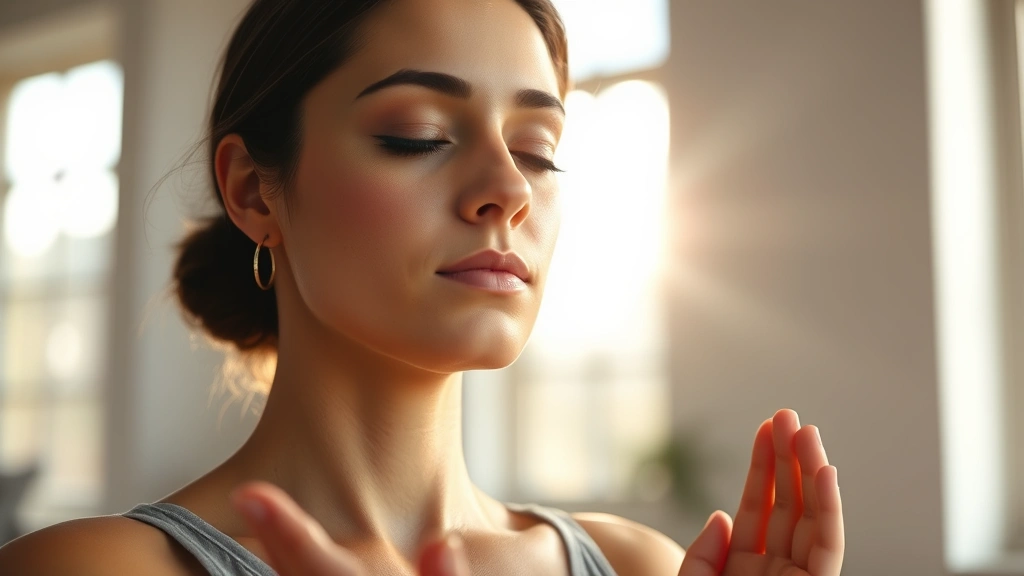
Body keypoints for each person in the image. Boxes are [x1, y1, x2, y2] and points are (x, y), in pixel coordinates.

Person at [0, 0, 845, 574]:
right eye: (419, 134)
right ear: (255, 191)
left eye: (538, 150)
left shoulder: (640, 566)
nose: (509, 188)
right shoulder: (90, 568)